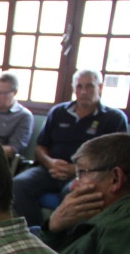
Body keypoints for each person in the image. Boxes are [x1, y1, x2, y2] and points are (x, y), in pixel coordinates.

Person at [12, 69, 128, 228]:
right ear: (74, 89)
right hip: (50, 169)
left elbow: (116, 159)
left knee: (74, 193)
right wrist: (50, 163)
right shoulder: (58, 112)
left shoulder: (114, 118)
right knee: (18, 184)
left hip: (87, 174)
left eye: (89, 86)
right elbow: (41, 147)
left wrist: (76, 169)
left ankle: (65, 239)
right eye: (79, 87)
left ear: (100, 87)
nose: (83, 91)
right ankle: (38, 231)